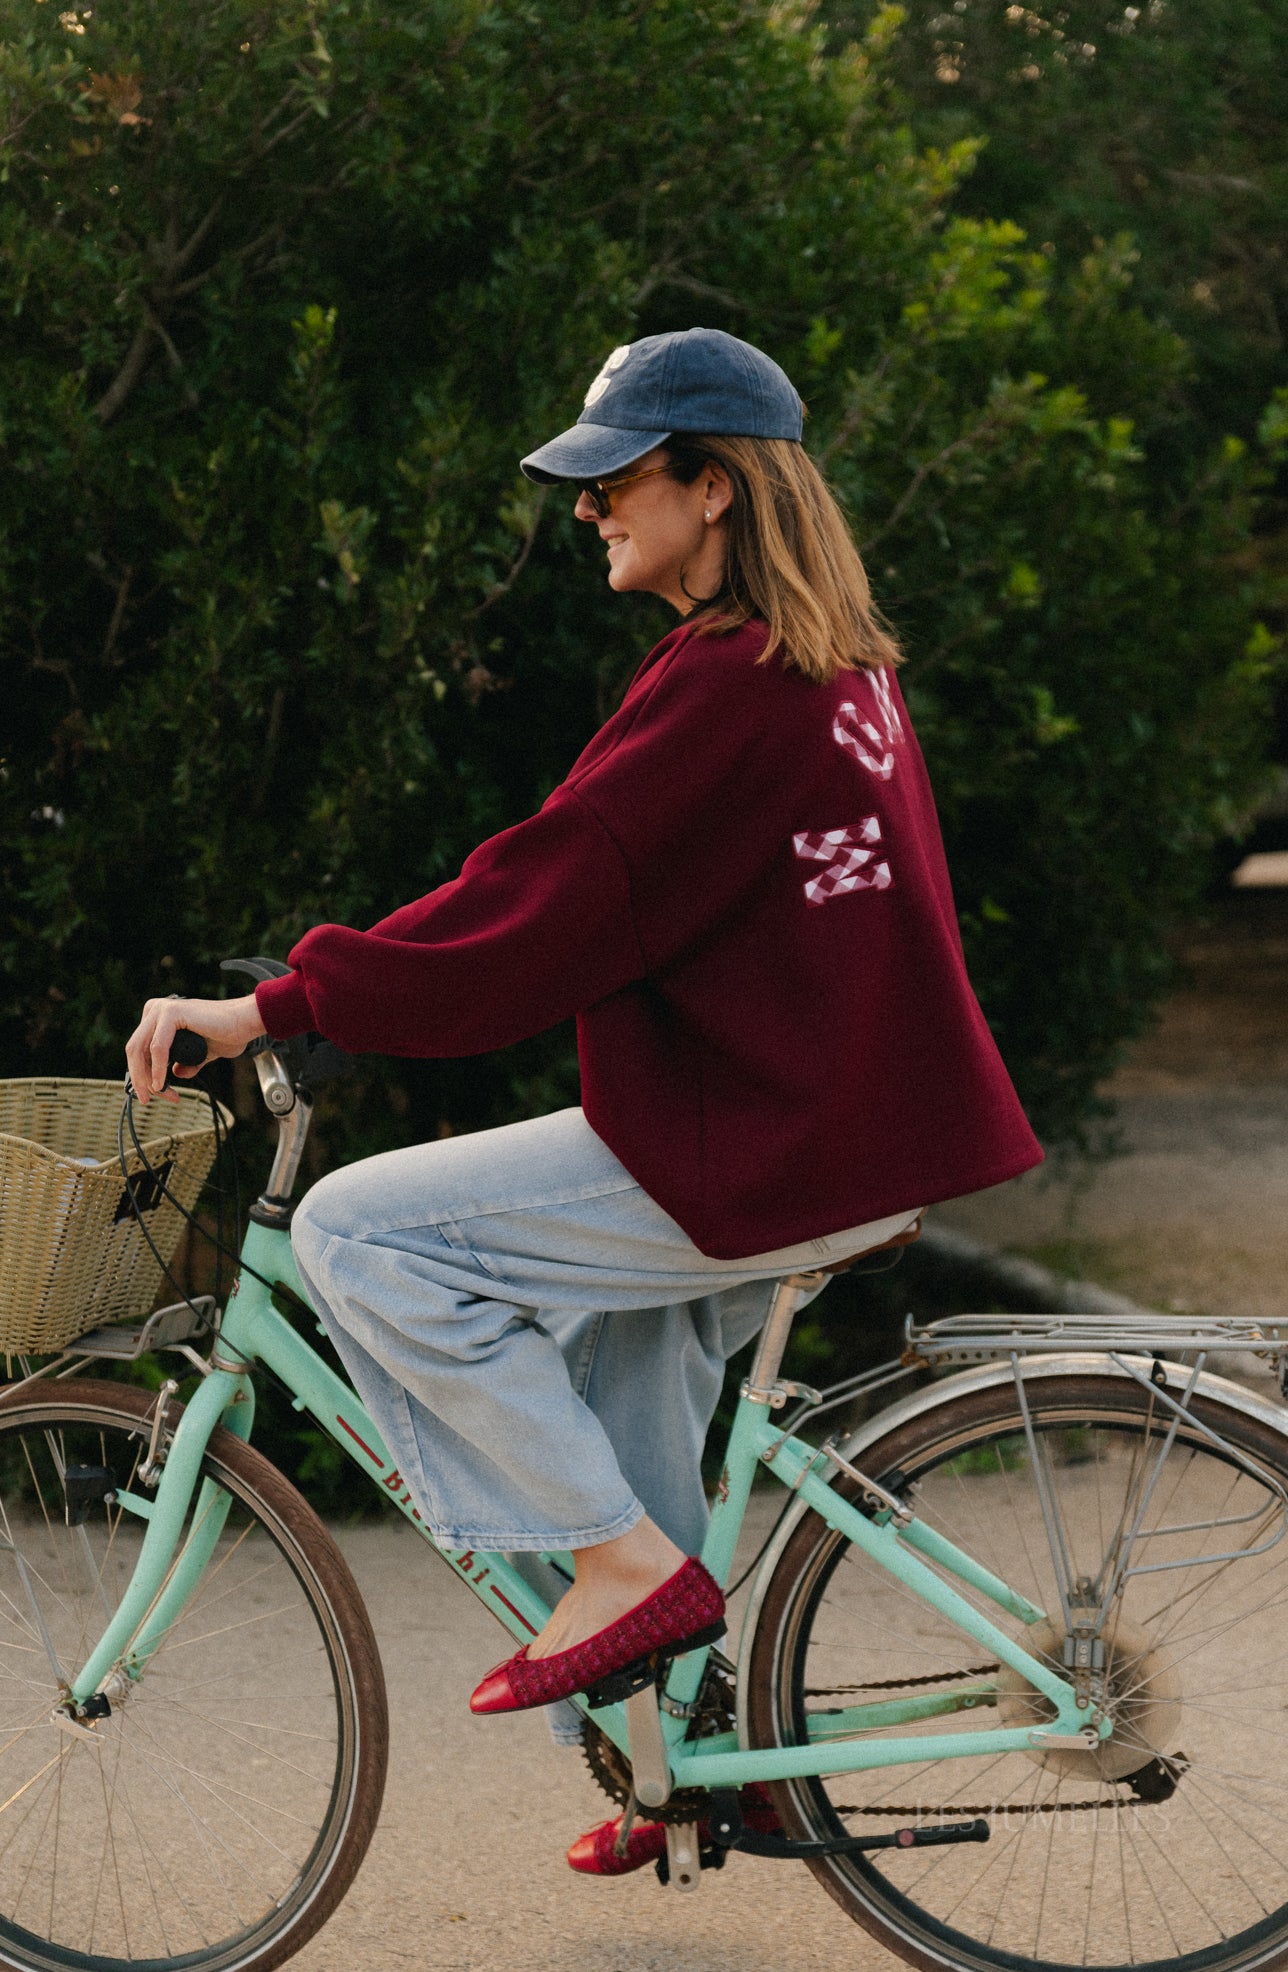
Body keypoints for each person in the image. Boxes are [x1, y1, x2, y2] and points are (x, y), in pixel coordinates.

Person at [125, 326, 1042, 1876]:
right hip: (835, 1128)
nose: (586, 507)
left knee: (355, 1234)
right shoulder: (830, 667)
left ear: (714, 487)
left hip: (767, 1140)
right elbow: (608, 893)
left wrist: (283, 1004)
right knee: (628, 1387)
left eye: (615, 479)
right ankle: (678, 1752)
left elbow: (546, 899)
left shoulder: (734, 684)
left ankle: (628, 1576)